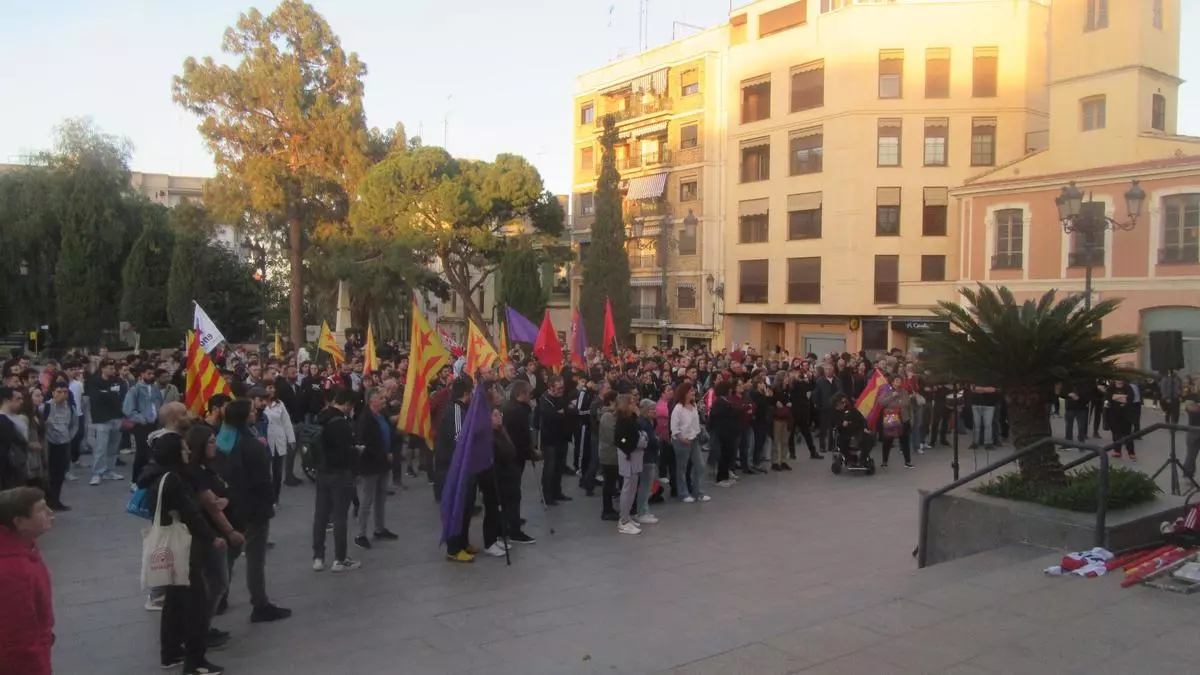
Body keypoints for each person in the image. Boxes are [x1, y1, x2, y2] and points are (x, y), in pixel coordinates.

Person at [137, 434, 227, 675]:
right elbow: (190, 513)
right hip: (182, 546)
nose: (188, 451)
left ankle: (170, 651)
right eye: (184, 448)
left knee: (174, 601)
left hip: (169, 542)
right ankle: (195, 661)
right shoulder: (174, 479)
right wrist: (212, 536)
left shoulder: (156, 474)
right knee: (196, 604)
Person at [215, 399, 291, 622]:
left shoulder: (223, 440)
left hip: (231, 505)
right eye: (251, 410)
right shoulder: (252, 445)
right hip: (253, 507)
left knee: (230, 554)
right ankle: (260, 603)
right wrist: (268, 505)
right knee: (255, 558)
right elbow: (262, 481)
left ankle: (220, 596)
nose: (255, 412)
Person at [184, 424, 243, 648]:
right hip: (210, 535)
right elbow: (211, 505)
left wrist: (226, 499)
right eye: (209, 441)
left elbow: (222, 495)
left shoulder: (209, 467)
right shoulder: (196, 472)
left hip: (217, 532)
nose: (214, 445)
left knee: (217, 582)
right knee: (216, 583)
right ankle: (200, 629)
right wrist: (230, 531)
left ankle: (203, 627)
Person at [0, 486, 55, 675]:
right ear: (20, 522)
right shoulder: (15, 570)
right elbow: (18, 641)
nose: (49, 512)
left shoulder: (22, 547)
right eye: (40, 509)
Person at [312, 387, 361, 572]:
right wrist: (357, 451)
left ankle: (318, 557)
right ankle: (340, 559)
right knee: (340, 517)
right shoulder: (342, 423)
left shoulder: (321, 416)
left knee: (321, 517)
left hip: (322, 472)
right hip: (340, 474)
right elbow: (346, 453)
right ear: (347, 404)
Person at [354, 390, 399, 550]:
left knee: (381, 496)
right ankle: (361, 534)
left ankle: (380, 528)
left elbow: (389, 434)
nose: (384, 399)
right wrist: (383, 454)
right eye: (380, 397)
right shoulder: (365, 419)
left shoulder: (382, 415)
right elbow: (365, 444)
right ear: (372, 400)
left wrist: (390, 451)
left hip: (383, 463)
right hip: (371, 464)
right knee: (367, 499)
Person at [499, 382, 536, 544]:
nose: (531, 398)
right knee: (513, 494)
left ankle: (509, 522)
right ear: (521, 393)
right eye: (529, 394)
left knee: (509, 493)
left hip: (509, 457)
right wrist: (531, 452)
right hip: (512, 458)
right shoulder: (517, 412)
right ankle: (513, 530)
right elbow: (519, 438)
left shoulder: (509, 407)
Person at [86, 360, 125, 486]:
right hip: (101, 418)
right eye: (109, 368)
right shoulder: (94, 381)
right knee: (101, 447)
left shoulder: (118, 381)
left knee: (113, 447)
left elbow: (121, 396)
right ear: (102, 368)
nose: (112, 370)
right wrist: (111, 395)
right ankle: (97, 473)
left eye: (113, 368)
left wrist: (107, 394)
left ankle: (110, 470)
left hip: (117, 416)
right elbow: (96, 398)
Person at [41, 381, 78, 511]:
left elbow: (74, 424)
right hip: (49, 445)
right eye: (59, 392)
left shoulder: (70, 407)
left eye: (65, 392)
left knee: (59, 475)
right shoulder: (45, 407)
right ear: (52, 393)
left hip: (63, 443)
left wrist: (68, 437)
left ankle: (56, 500)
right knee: (48, 475)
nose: (62, 395)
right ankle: (46, 502)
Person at [670, 383, 709, 503]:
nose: (694, 393)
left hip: (694, 439)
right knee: (682, 469)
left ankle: (698, 492)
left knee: (700, 466)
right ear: (684, 393)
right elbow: (674, 428)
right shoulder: (678, 408)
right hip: (682, 441)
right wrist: (682, 439)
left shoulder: (694, 405)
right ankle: (683, 493)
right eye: (691, 391)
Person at [537, 376, 573, 505]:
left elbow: (570, 410)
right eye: (559, 388)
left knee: (559, 467)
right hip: (550, 440)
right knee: (549, 469)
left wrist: (564, 412)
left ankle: (557, 492)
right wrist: (561, 413)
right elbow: (550, 417)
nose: (562, 390)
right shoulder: (545, 400)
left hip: (562, 437)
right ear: (551, 387)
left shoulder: (562, 397)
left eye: (562, 387)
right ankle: (547, 495)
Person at [613, 394, 643, 535]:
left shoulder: (630, 419)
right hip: (628, 455)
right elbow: (621, 439)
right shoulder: (622, 420)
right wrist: (630, 447)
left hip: (634, 454)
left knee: (633, 486)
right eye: (631, 402)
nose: (634, 404)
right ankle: (623, 520)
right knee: (627, 487)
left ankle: (628, 516)